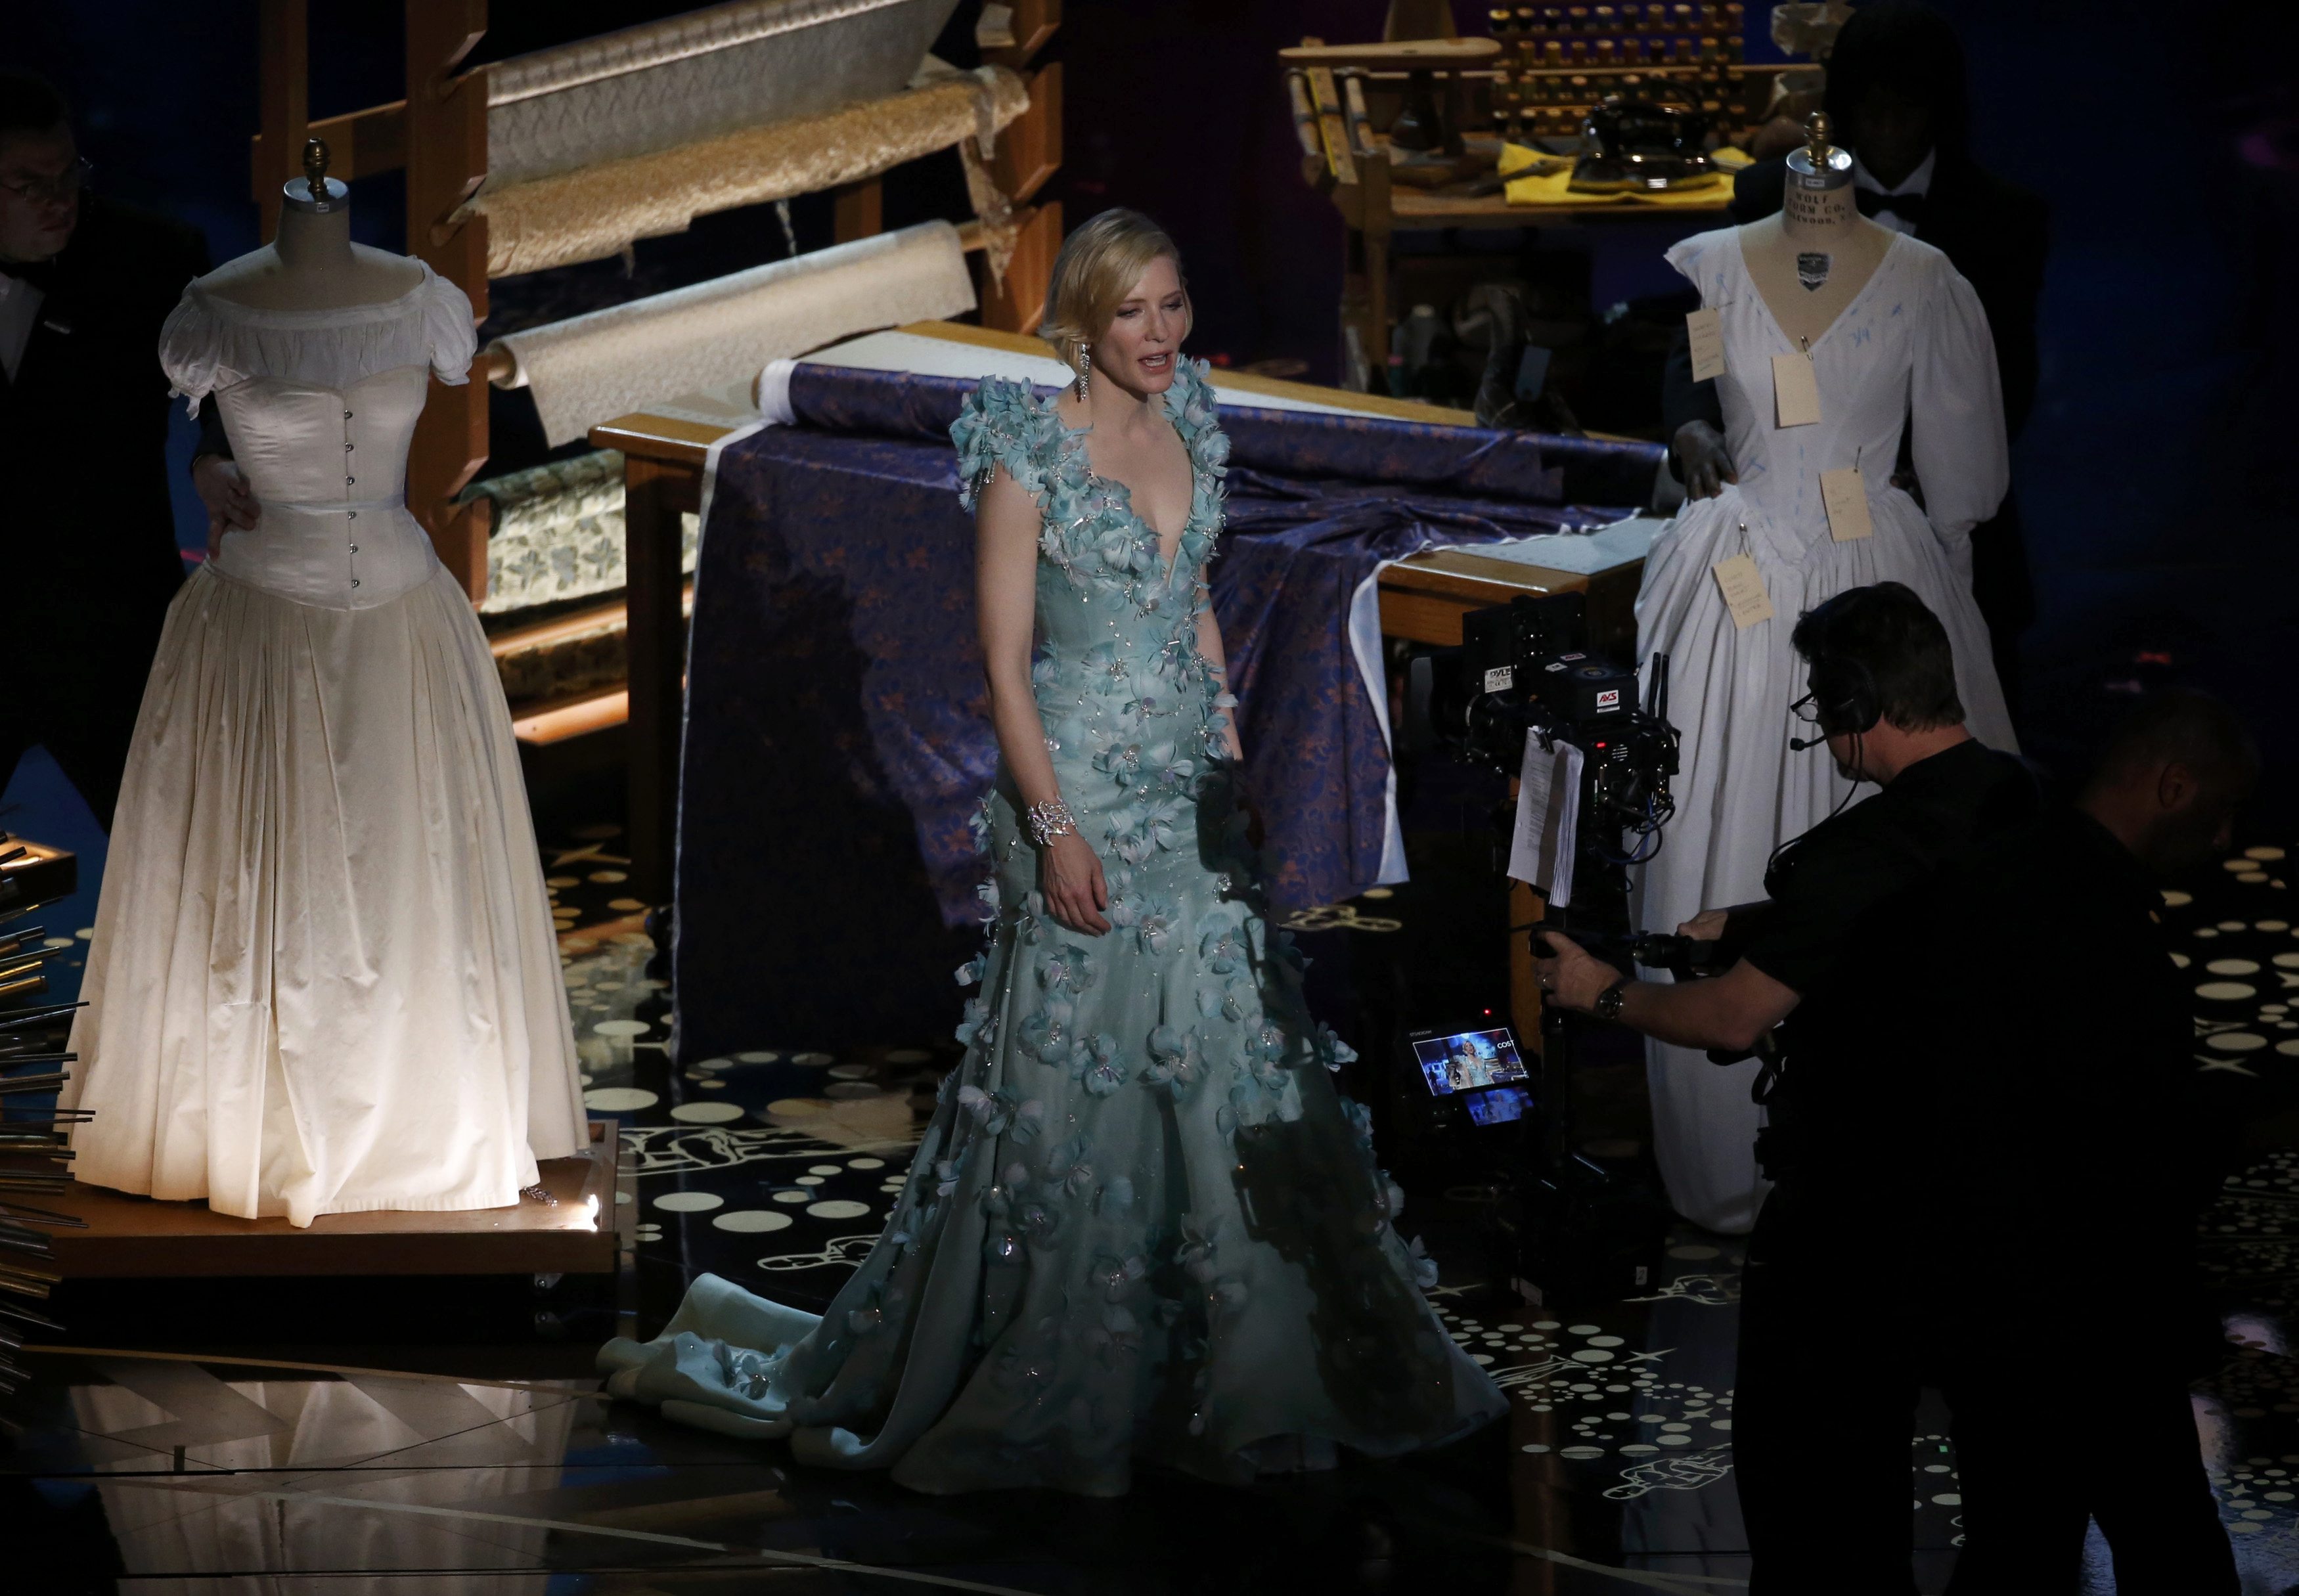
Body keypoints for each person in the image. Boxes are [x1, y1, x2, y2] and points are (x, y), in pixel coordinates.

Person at [597, 209, 1508, 1495]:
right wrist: (1055, 829)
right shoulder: (1024, 452)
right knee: (1080, 1088)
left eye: (1173, 305)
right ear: (1081, 320)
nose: (1160, 332)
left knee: (1233, 1063)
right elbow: (1002, 671)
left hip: (1187, 799)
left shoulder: (1190, 421)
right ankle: (1075, 1360)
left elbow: (1194, 601)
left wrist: (1231, 756)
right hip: (1074, 789)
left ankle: (1238, 1361)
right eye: (1133, 311)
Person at [61, 150, 585, 1226]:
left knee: (411, 866)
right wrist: (209, 470)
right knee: (266, 870)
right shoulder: (216, 310)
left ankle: (425, 1118)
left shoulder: (420, 299)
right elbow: (184, 435)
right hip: (258, 624)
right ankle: (251, 1127)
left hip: (404, 619)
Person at [1534, 582, 2036, 1591]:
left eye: (1820, 697)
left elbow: (1732, 1019)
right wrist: (1769, 924)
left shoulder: (1859, 852)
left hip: (1861, 1214)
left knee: (1817, 1493)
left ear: (1856, 702)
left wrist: (1603, 993)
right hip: (2005, 1203)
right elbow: (1911, 921)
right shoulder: (2019, 799)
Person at [1633, 104, 2017, 1235]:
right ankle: (1727, 1150)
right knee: (1715, 803)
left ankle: (1902, 1128)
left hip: (1871, 557)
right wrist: (1691, 435)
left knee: (1899, 823)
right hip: (1739, 567)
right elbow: (1701, 385)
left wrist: (1950, 601)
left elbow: (1963, 477)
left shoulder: (1927, 280)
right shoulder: (1713, 267)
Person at [1892, 690, 2252, 1592]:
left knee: (2024, 1543)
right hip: (2085, 1309)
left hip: (1998, 1303)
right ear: (2173, 785)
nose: (2223, 840)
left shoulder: (1996, 879)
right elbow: (2116, 1128)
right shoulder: (2090, 915)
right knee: (2161, 1544)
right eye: (2221, 812)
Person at [1665, 0, 2048, 709]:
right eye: (1870, 109)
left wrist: (1922, 473)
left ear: (1939, 109)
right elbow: (1702, 339)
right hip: (1757, 525)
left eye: (1906, 107)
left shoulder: (1999, 222)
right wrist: (1692, 423)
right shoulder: (1758, 201)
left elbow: (2004, 381)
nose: (1887, 127)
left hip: (1905, 512)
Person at [0, 71, 208, 828]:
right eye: (30, 185)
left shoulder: (152, 258)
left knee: (172, 857)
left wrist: (212, 460)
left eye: (69, 175)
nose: (59, 200)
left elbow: (240, 382)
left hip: (111, 633)